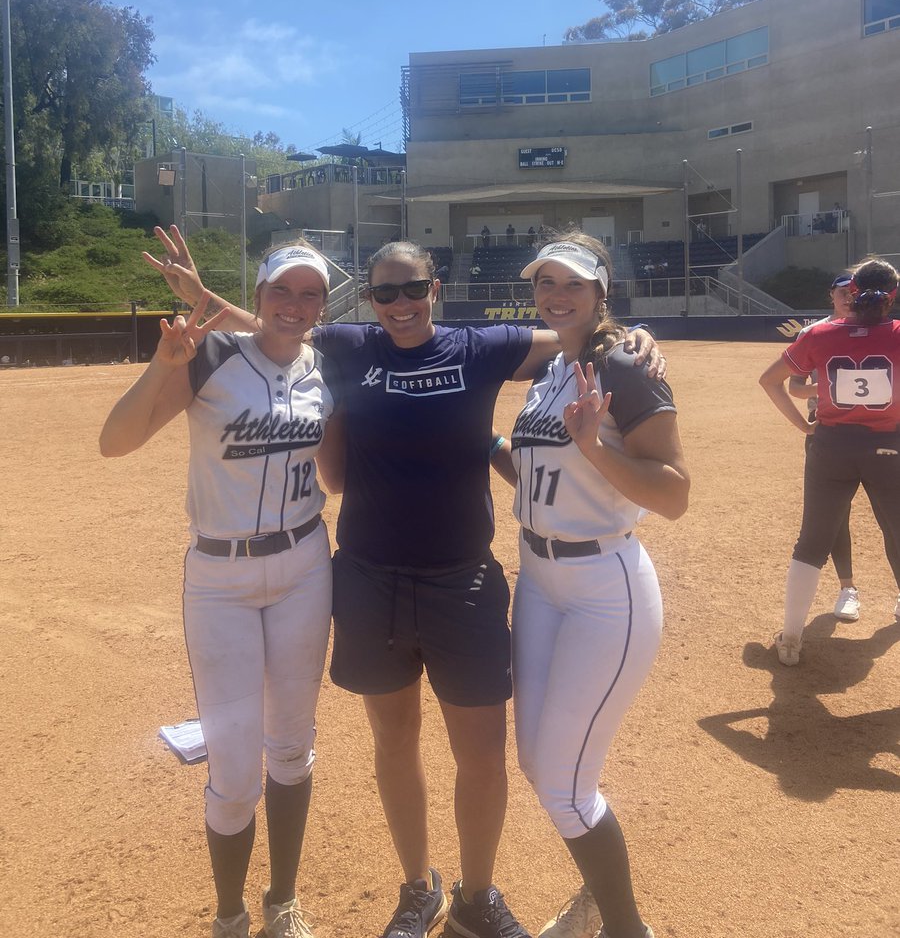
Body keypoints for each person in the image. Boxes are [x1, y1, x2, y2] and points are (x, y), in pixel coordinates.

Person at [143, 227, 665, 938]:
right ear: (370, 298)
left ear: (433, 290)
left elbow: (576, 334)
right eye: (383, 291)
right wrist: (203, 299)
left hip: (464, 581)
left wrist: (633, 334)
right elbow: (276, 324)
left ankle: (477, 898)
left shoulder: (479, 347)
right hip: (370, 576)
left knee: (480, 752)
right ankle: (418, 890)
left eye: (412, 289)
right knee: (396, 741)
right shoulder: (353, 347)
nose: (399, 303)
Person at [101, 242, 342, 938]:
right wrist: (161, 368)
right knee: (234, 772)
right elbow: (114, 443)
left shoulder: (325, 366)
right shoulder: (209, 359)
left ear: (322, 305)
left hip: (303, 566)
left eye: (309, 295)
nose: (295, 306)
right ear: (260, 290)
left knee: (292, 749)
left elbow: (276, 340)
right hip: (221, 580)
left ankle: (282, 902)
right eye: (283, 291)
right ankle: (230, 915)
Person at [490, 234, 689, 938]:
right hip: (541, 582)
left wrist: (591, 445)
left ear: (601, 289)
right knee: (540, 763)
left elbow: (672, 494)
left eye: (571, 281)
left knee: (564, 787)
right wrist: (479, 443)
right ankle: (600, 892)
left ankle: (625, 927)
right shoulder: (554, 365)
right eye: (545, 281)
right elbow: (535, 477)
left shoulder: (626, 363)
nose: (556, 293)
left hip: (605, 586)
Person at [759, 258, 900, 666]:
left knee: (812, 541)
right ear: (892, 297)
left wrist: (804, 428)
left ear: (850, 293)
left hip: (830, 447)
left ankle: (790, 637)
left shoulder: (819, 334)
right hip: (887, 447)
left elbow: (771, 381)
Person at [786, 271, 859, 620]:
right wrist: (832, 386)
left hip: (883, 432)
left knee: (892, 515)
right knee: (836, 516)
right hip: (828, 433)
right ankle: (848, 588)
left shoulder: (882, 330)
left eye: (854, 291)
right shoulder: (812, 334)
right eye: (842, 290)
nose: (848, 296)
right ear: (831, 294)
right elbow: (795, 388)